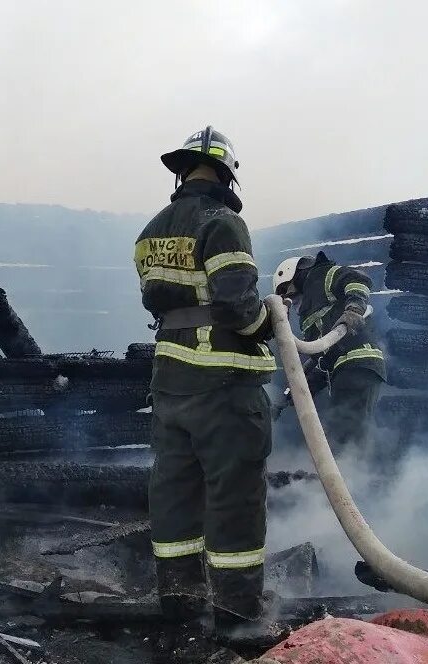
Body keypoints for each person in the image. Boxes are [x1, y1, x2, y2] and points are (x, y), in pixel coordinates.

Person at [134, 126, 277, 642]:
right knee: (234, 498)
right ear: (225, 174)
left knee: (175, 493)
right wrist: (268, 323)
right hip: (223, 384)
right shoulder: (223, 222)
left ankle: (181, 607)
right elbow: (237, 305)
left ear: (183, 172)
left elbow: (156, 300)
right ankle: (238, 618)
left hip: (170, 383)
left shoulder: (151, 230)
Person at [271, 252, 386, 455]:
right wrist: (287, 398)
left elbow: (358, 279)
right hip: (347, 366)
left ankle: (347, 471)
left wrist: (353, 310)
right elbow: (320, 362)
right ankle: (348, 469)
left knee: (345, 435)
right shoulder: (313, 312)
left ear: (293, 276)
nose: (292, 303)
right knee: (345, 432)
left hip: (357, 362)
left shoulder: (323, 276)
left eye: (290, 295)